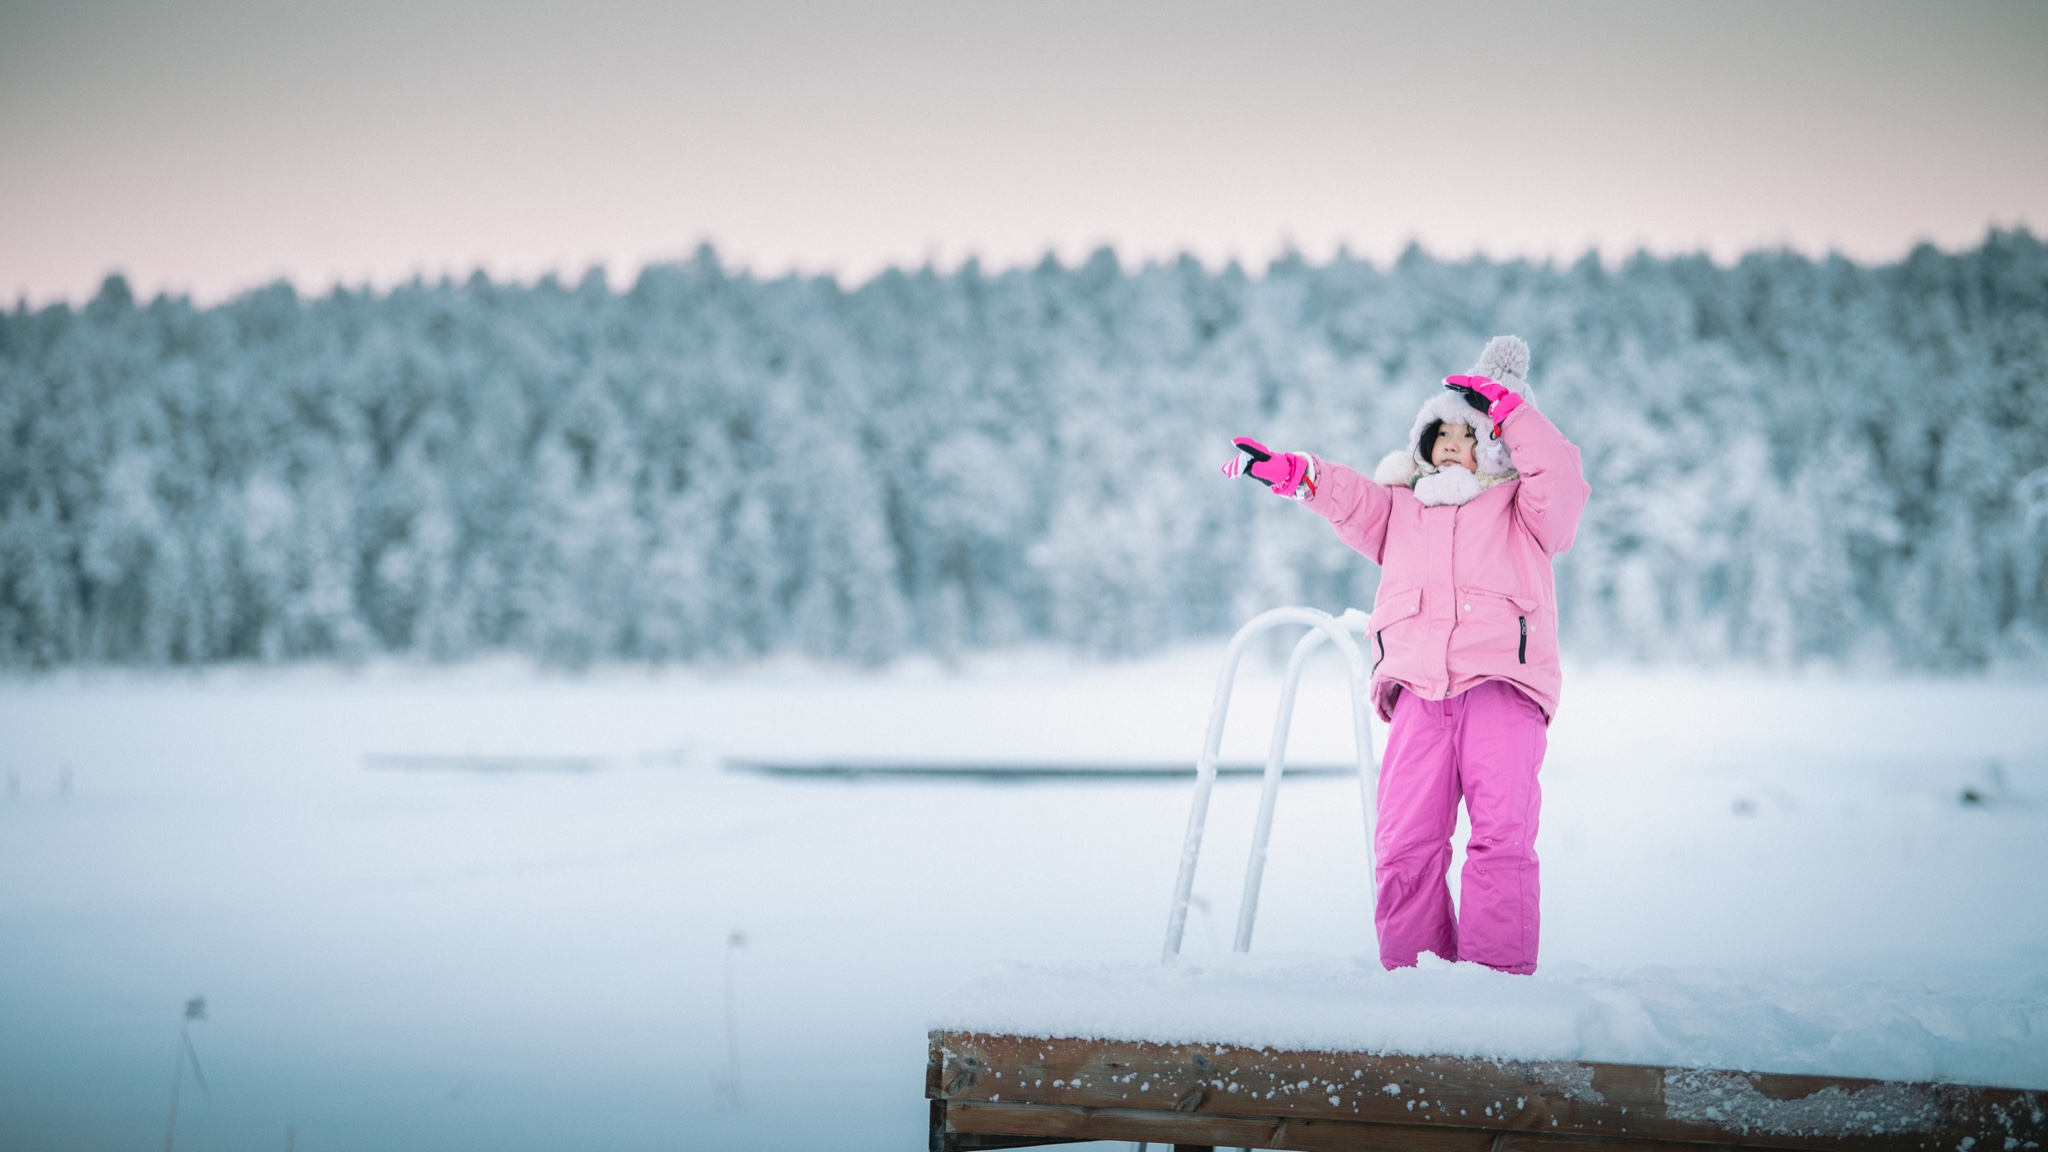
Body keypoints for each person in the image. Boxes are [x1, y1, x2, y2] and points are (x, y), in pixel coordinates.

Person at [1222, 336, 1590, 975]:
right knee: (1403, 848)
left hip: (1501, 688)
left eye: (1471, 431)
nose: (1453, 441)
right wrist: (1297, 473)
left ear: (1498, 443)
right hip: (1419, 694)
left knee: (1501, 844)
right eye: (1441, 429)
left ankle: (1495, 989)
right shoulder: (1402, 507)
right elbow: (1348, 498)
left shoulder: (1523, 508)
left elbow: (1561, 480)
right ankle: (1414, 990)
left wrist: (1515, 415)